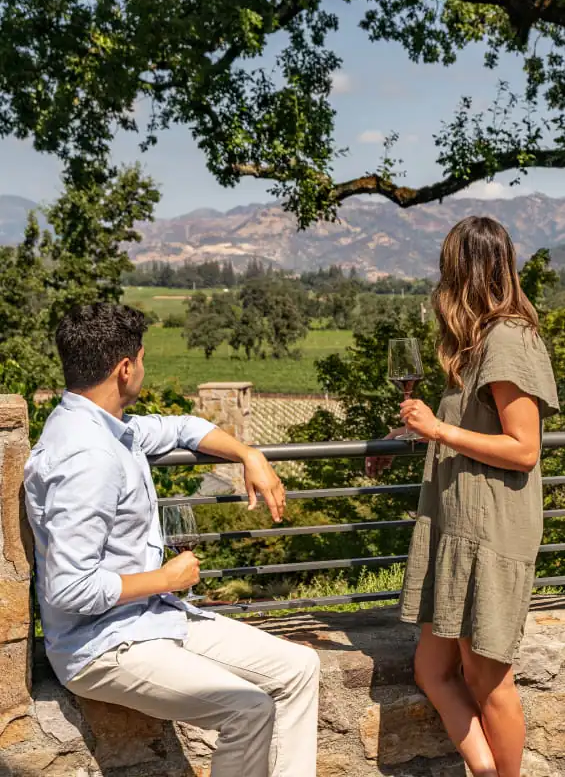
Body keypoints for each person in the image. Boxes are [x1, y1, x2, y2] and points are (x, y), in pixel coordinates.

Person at [25, 303, 320, 777]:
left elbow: (183, 427)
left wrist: (249, 453)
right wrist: (166, 578)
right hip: (102, 645)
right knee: (248, 709)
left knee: (300, 668)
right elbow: (70, 588)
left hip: (152, 619)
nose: (144, 368)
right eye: (143, 359)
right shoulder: (87, 457)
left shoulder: (109, 427)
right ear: (125, 369)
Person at [367, 217, 559, 777]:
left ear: (464, 271)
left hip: (489, 530)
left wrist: (439, 430)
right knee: (432, 669)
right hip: (458, 525)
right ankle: (485, 769)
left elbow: (524, 448)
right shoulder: (476, 342)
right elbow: (468, 426)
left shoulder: (507, 340)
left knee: (487, 679)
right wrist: (412, 434)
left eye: (446, 267)